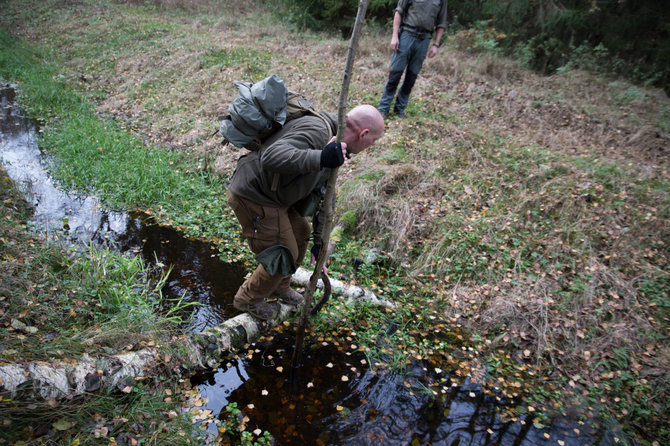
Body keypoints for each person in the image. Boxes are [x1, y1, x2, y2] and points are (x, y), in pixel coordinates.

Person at [227, 104, 385, 320]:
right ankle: (247, 299)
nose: (372, 145)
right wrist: (321, 158)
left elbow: (324, 194)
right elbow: (271, 157)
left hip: (277, 196)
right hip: (255, 194)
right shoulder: (318, 130)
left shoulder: (337, 146)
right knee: (284, 252)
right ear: (364, 133)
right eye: (374, 141)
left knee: (302, 232)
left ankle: (280, 288)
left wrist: (320, 242)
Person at [378, 0, 447, 119]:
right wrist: (395, 36)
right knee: (394, 75)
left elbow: (441, 23)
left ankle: (399, 110)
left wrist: (436, 44)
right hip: (407, 35)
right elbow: (399, 12)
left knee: (411, 78)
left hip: (424, 40)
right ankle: (383, 109)